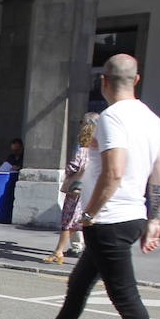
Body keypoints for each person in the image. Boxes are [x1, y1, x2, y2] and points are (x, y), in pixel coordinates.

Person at [8, 53, 160, 319]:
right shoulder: (153, 120)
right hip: (133, 215)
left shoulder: (111, 118)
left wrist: (88, 215)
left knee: (125, 296)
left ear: (104, 81)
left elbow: (113, 172)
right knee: (79, 287)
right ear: (137, 80)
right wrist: (154, 220)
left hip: (109, 219)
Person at [43, 113, 97, 264]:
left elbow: (73, 166)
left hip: (76, 190)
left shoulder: (82, 151)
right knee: (81, 221)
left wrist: (69, 172)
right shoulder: (97, 153)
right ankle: (82, 250)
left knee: (67, 221)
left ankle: (58, 252)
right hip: (88, 190)